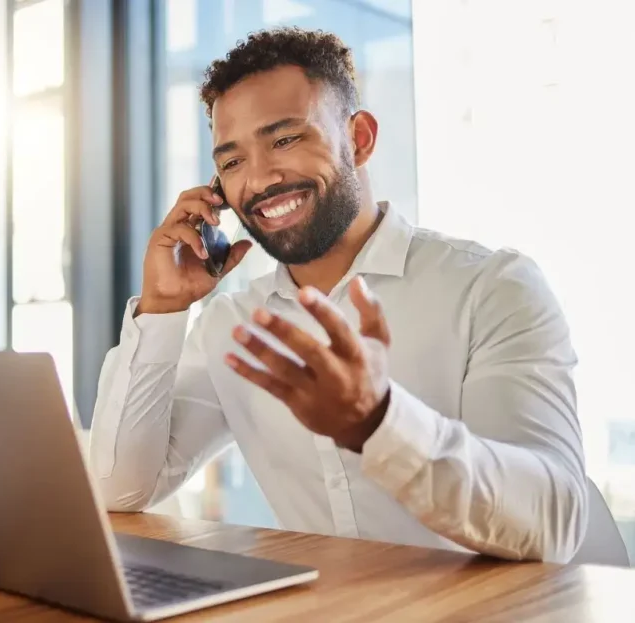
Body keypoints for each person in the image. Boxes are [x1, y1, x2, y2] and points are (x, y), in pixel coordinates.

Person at [89, 27, 587, 563]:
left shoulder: (492, 287)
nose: (258, 179)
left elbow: (554, 523)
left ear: (361, 139)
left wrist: (382, 424)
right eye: (232, 162)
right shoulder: (232, 325)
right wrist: (162, 309)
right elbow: (120, 490)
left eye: (284, 140)